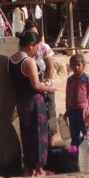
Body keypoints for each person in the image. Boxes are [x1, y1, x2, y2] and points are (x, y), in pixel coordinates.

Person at [8, 30, 57, 177]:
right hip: (34, 102)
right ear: (30, 45)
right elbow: (36, 85)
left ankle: (29, 168)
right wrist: (50, 88)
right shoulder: (28, 61)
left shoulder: (11, 60)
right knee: (39, 135)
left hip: (21, 102)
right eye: (36, 47)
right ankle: (39, 169)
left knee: (27, 135)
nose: (36, 50)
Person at [23, 19, 60, 147]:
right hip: (32, 88)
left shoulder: (44, 48)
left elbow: (50, 69)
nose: (33, 34)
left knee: (50, 115)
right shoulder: (25, 49)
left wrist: (45, 81)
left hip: (46, 86)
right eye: (30, 32)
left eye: (35, 31)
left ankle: (51, 145)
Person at [65, 53, 89, 152]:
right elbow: (67, 95)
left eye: (79, 65)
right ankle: (74, 154)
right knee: (74, 134)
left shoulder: (87, 78)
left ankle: (88, 151)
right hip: (72, 110)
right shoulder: (70, 80)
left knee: (86, 132)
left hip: (83, 110)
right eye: (74, 65)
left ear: (83, 65)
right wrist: (67, 111)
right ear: (71, 66)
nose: (76, 67)